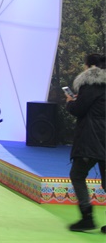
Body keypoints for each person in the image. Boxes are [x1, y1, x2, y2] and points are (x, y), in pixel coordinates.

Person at [64, 53, 105, 233]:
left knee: (77, 175)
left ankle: (87, 217)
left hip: (92, 139)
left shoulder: (90, 85)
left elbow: (79, 109)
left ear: (90, 66)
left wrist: (70, 102)